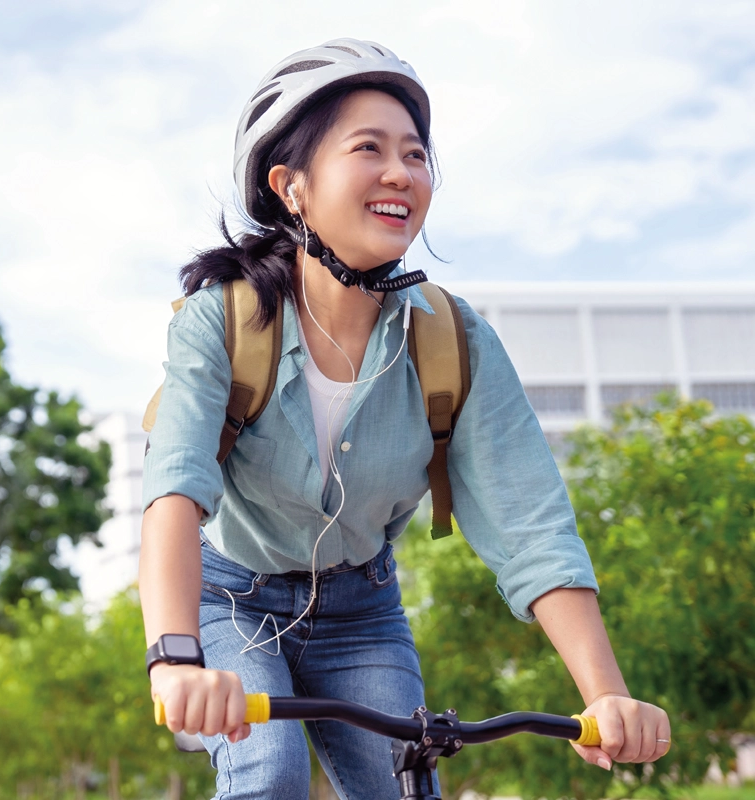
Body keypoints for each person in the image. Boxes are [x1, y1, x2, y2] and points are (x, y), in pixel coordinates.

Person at [139, 38, 670, 800]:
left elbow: (530, 524)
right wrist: (177, 659)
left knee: (405, 784)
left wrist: (605, 694)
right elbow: (175, 493)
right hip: (231, 596)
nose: (402, 172)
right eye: (369, 148)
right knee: (270, 771)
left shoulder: (452, 340)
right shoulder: (220, 323)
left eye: (416, 155)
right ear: (291, 186)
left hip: (362, 609)